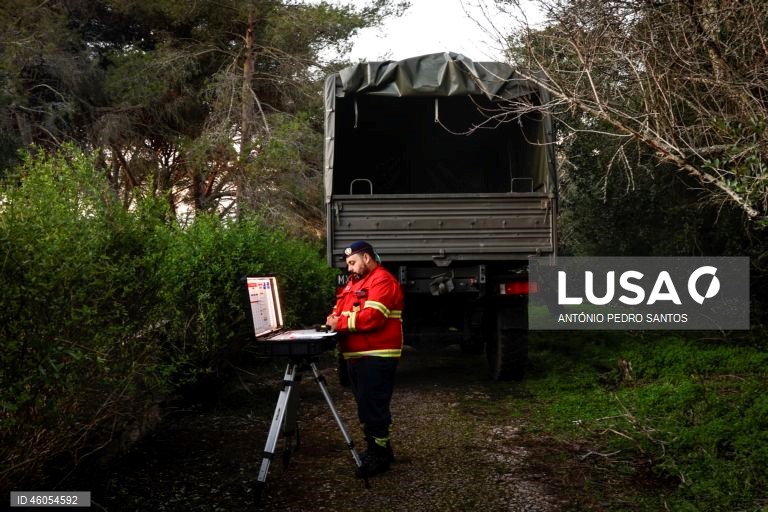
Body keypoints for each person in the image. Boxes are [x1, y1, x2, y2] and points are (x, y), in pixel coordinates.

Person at [325, 240, 404, 478]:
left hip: (376, 355)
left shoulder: (382, 280)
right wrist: (334, 317)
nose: (349, 268)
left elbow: (373, 317)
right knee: (368, 407)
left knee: (373, 408)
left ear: (366, 258)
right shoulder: (355, 282)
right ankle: (381, 449)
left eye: (352, 262)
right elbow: (340, 309)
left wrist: (339, 323)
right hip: (359, 355)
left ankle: (378, 456)